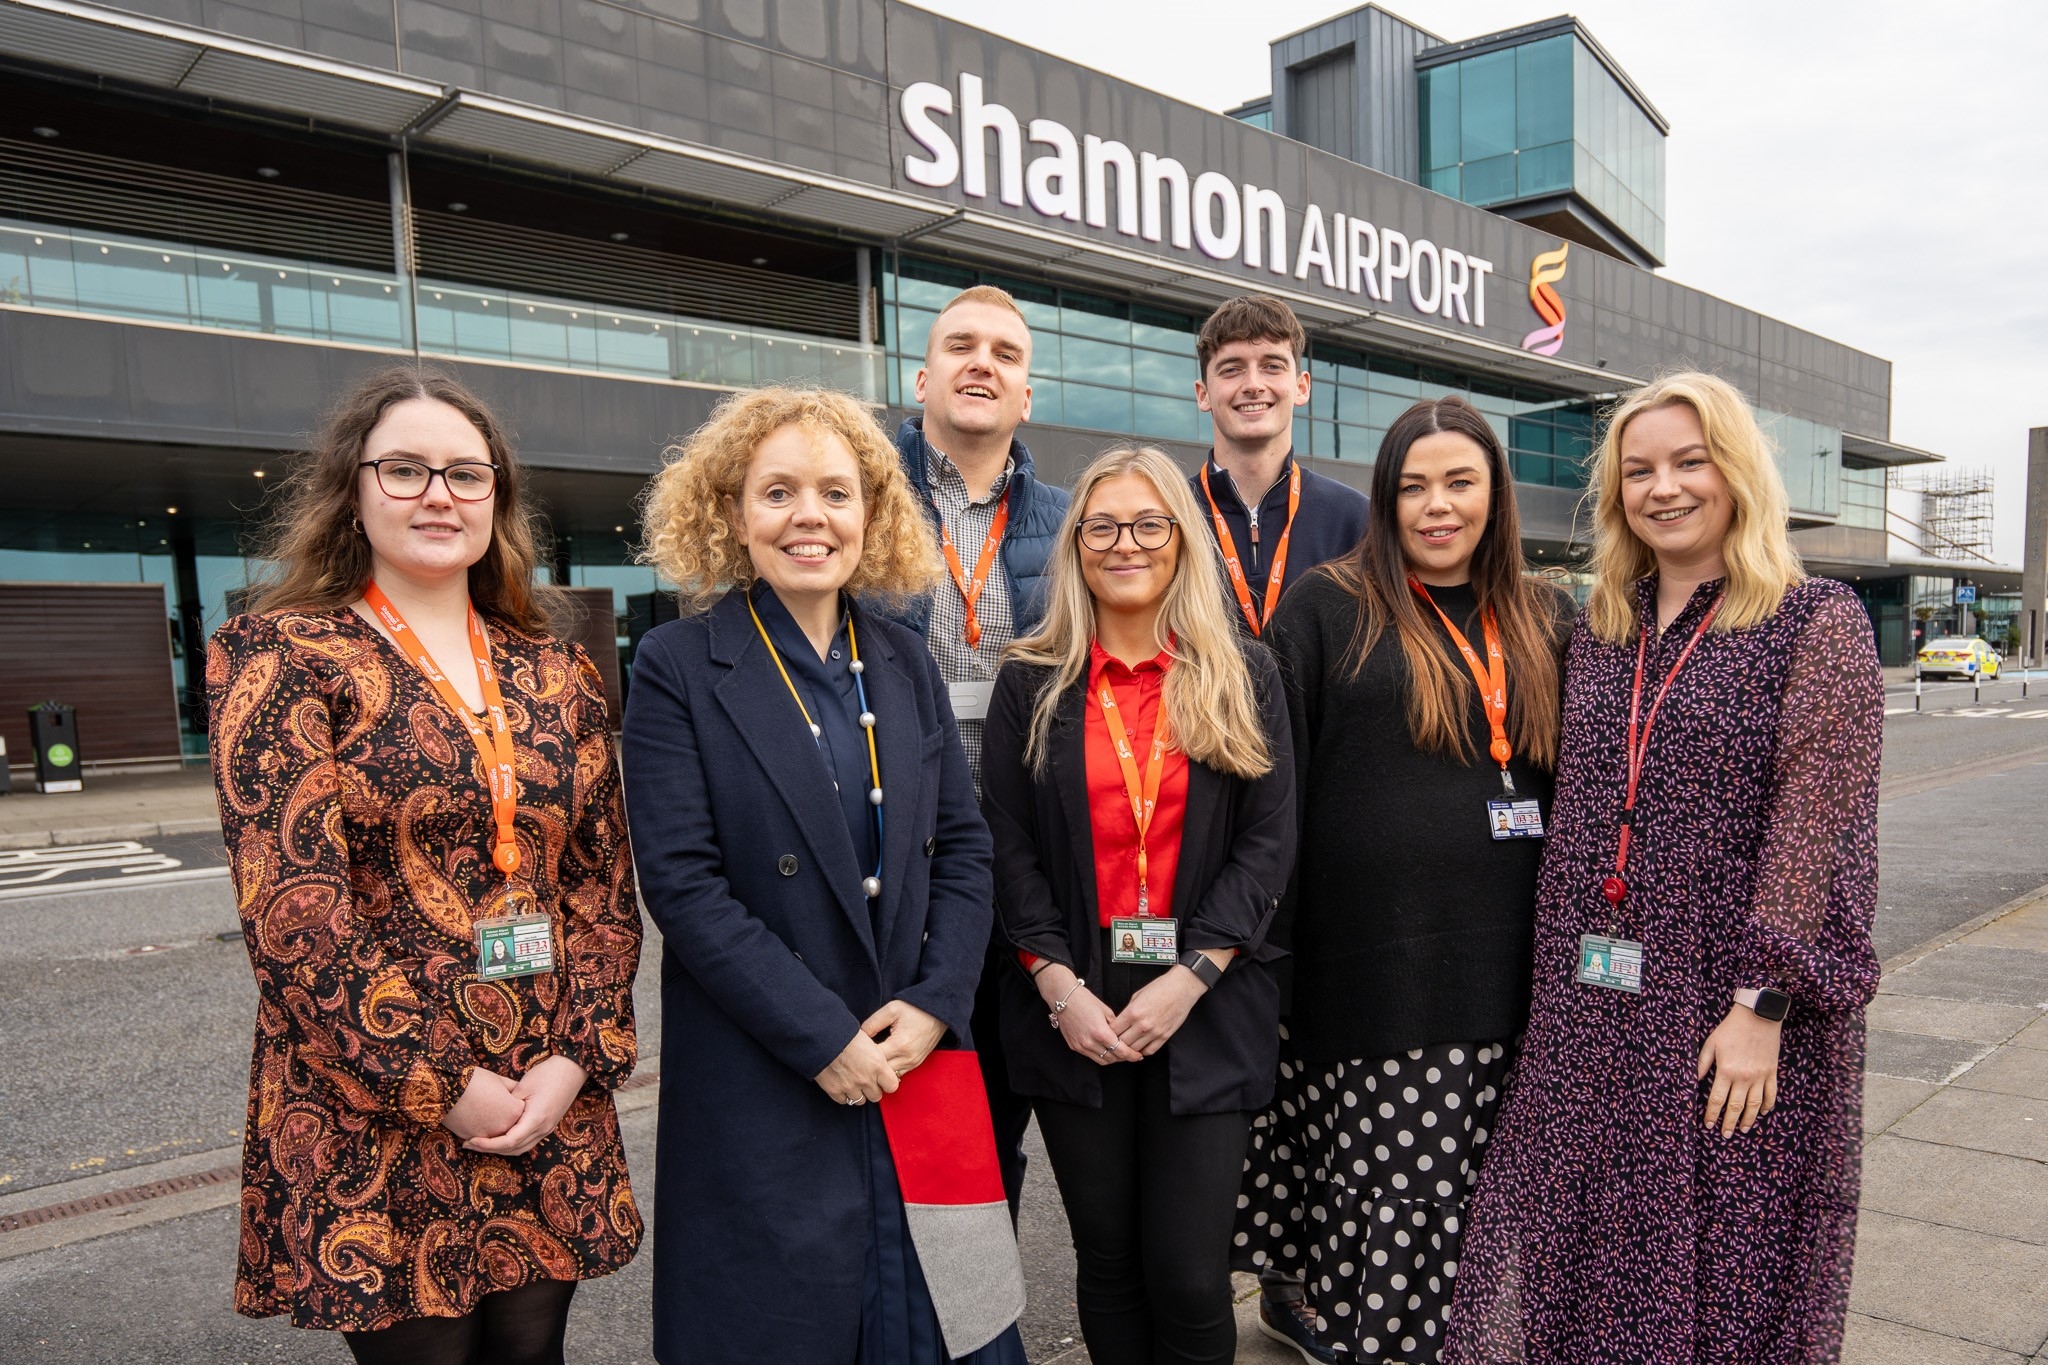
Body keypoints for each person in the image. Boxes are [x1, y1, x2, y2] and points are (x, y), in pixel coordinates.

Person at [1444, 373, 1884, 1364]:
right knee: (1585, 1246)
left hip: (1725, 1009)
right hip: (1594, 1001)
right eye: (1637, 470)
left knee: (1725, 1260)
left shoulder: (1813, 619)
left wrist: (1760, 1007)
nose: (1664, 488)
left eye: (1689, 462)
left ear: (1734, 472)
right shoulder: (1597, 628)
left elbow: (1814, 824)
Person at [207, 365, 642, 1364]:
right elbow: (295, 917)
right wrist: (442, 1084)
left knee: (533, 1358)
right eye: (404, 470)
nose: (438, 494)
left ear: (499, 497)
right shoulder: (282, 657)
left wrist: (573, 1062)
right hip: (378, 1099)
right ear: (352, 492)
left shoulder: (553, 672)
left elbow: (603, 895)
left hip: (543, 1090)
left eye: (465, 472)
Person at [624, 386, 1026, 1365]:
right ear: (731, 513)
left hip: (918, 1055)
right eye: (779, 492)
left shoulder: (900, 659)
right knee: (782, 1331)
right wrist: (821, 1037)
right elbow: (684, 886)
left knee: (950, 1329)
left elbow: (966, 852)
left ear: (871, 515)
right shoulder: (677, 665)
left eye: (837, 493)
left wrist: (935, 1002)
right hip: (772, 1068)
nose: (811, 516)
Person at [1233, 396, 1574, 1364]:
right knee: (1396, 1231)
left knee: (1501, 1228)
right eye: (1411, 485)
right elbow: (1271, 796)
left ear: (1494, 494)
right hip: (1380, 985)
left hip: (1523, 983)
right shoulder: (1326, 606)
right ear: (1384, 498)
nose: (1436, 505)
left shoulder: (1547, 616)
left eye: (1458, 482)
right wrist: (1266, 964)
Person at [982, 445, 1297, 1365]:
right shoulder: (1029, 681)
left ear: (1181, 539)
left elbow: (1268, 842)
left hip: (1207, 998)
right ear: (1077, 543)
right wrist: (1057, 985)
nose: (1127, 543)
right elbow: (1006, 845)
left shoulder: (1244, 671)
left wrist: (1193, 974)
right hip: (1070, 1005)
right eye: (1104, 525)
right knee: (1109, 1260)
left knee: (1192, 1274)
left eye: (1149, 523)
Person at [893, 283, 1070, 1220]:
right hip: (899, 865)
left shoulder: (1073, 521)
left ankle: (980, 1321)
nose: (982, 364)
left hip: (1026, 867)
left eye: (1004, 353)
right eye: (961, 346)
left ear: (1027, 394)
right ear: (922, 377)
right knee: (913, 1123)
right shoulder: (860, 500)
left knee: (999, 1123)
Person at [1189, 295, 1369, 638]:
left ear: (1301, 387)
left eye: (1272, 365)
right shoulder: (1168, 517)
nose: (1253, 384)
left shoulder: (1355, 520)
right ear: (1203, 395)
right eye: (1232, 369)